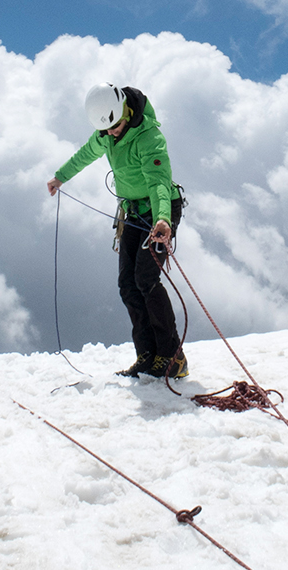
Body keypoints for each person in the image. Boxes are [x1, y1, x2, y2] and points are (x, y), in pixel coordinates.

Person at [46, 83, 188, 379]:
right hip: (134, 212)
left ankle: (173, 358)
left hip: (159, 213)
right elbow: (85, 154)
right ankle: (147, 356)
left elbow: (159, 181)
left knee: (146, 279)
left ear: (127, 110)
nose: (111, 133)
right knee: (127, 283)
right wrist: (60, 177)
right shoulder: (106, 134)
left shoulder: (149, 137)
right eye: (106, 130)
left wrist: (163, 219)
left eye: (116, 126)